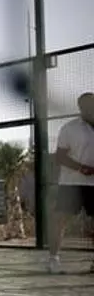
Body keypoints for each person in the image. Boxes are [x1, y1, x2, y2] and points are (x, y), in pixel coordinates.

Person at [48, 92, 94, 274]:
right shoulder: (70, 128)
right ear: (80, 107)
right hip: (71, 183)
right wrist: (81, 168)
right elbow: (60, 157)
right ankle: (53, 260)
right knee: (60, 220)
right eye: (86, 105)